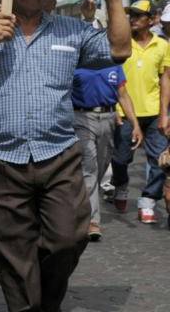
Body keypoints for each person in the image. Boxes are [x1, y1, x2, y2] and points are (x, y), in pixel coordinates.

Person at [0, 0, 130, 312]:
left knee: (69, 238)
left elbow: (119, 50)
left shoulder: (70, 29)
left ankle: (46, 301)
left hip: (58, 155)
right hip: (0, 156)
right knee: (13, 250)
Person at [111, 0, 170, 224]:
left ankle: (147, 201)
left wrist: (164, 113)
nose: (132, 19)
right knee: (120, 158)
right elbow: (112, 77)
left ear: (151, 19)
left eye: (138, 15)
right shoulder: (121, 43)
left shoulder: (163, 45)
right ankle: (121, 184)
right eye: (130, 15)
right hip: (124, 112)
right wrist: (113, 107)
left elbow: (166, 79)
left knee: (158, 159)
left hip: (154, 111)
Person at [71, 65, 141, 241]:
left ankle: (79, 202)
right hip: (81, 117)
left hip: (108, 118)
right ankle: (92, 221)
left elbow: (123, 95)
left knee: (99, 168)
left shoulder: (114, 65)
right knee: (89, 168)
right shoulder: (77, 61)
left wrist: (135, 124)